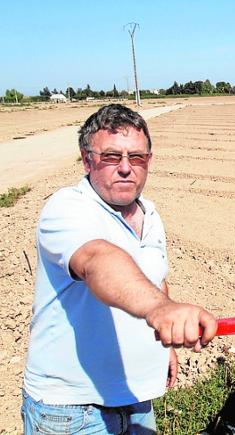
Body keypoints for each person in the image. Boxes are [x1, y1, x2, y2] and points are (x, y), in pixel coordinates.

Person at [21, 104, 217, 434]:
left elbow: (156, 278)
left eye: (137, 158)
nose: (126, 168)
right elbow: (99, 261)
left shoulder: (150, 214)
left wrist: (165, 346)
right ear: (87, 160)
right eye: (111, 157)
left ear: (148, 162)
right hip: (72, 412)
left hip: (137, 400)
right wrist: (161, 309)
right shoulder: (67, 208)